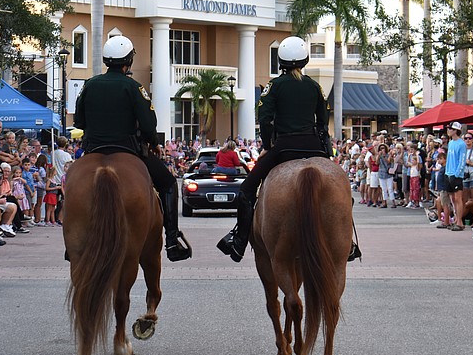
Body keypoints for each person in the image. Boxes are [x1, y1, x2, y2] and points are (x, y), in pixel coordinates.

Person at [216, 36, 360, 263]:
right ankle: (348, 241)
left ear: (281, 60)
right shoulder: (314, 86)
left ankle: (239, 240)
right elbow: (323, 121)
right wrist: (326, 151)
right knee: (342, 190)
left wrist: (267, 145)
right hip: (313, 146)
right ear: (305, 60)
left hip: (283, 148)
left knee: (246, 190)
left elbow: (264, 118)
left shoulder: (274, 86)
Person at [73, 35, 192, 261]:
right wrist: (153, 143)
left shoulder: (89, 85)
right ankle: (172, 240)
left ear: (107, 60)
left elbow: (79, 122)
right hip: (128, 149)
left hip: (93, 150)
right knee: (167, 184)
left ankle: (73, 243)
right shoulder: (134, 87)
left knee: (73, 184)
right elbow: (149, 125)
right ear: (129, 60)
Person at [444, 122, 467, 231]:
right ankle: (457, 220)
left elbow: (462, 160)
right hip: (449, 173)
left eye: (450, 129)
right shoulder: (451, 143)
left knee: (458, 198)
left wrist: (457, 173)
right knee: (452, 198)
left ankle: (459, 221)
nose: (448, 130)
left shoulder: (461, 144)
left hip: (456, 175)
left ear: (455, 130)